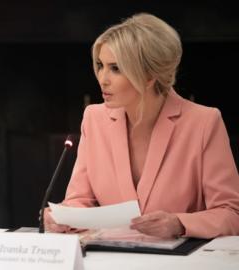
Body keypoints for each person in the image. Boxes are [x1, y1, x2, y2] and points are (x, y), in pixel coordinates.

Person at [45, 13, 239, 239]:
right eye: (101, 65)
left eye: (115, 68)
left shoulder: (204, 122)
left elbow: (232, 213)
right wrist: (64, 217)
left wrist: (179, 223)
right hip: (110, 259)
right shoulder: (94, 118)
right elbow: (79, 200)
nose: (102, 78)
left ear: (149, 75)